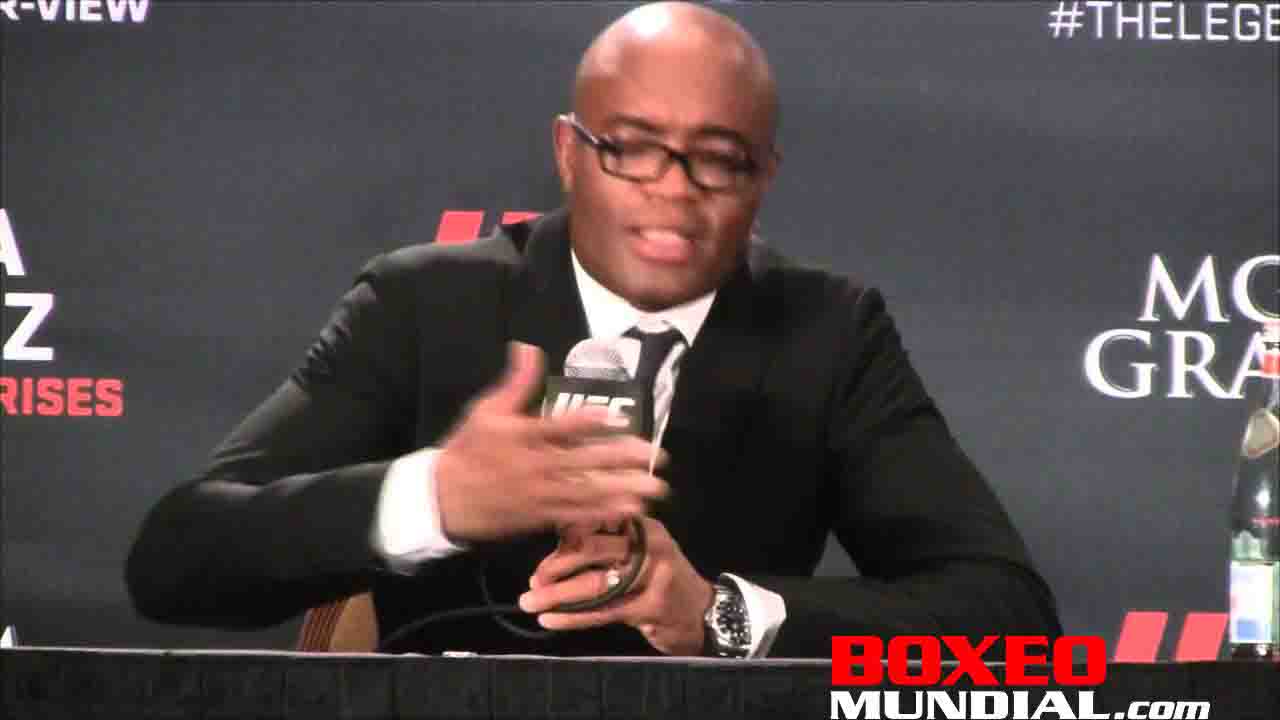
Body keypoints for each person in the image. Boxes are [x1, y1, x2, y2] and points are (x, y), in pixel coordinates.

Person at [126, 2, 1061, 658]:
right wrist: (436, 497)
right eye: (633, 149)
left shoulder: (827, 331)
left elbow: (1009, 618)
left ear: (764, 177)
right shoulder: (423, 305)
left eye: (718, 160)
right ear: (570, 153)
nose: (674, 190)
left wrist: (720, 615)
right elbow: (177, 560)